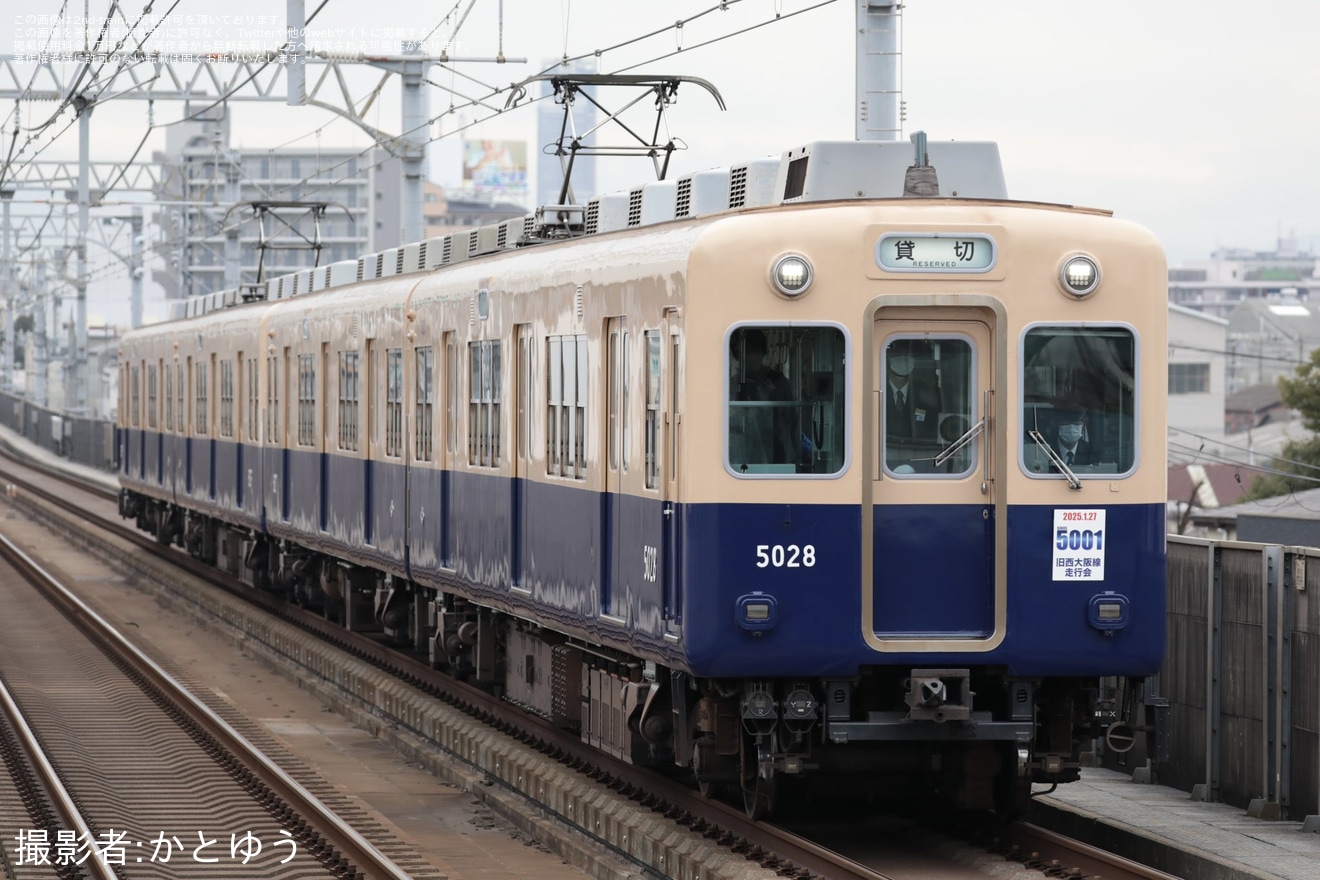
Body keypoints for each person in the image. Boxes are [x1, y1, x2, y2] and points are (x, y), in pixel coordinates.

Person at [730, 328, 797, 466]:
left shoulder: (778, 382)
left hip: (774, 454)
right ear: (736, 356)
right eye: (742, 353)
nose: (749, 356)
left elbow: (792, 422)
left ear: (762, 352)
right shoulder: (731, 385)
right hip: (739, 457)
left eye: (754, 350)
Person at [885, 339, 942, 444]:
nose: (903, 361)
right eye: (897, 356)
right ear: (887, 359)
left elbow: (933, 427)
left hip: (920, 453)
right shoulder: (875, 391)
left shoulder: (929, 394)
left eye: (908, 357)